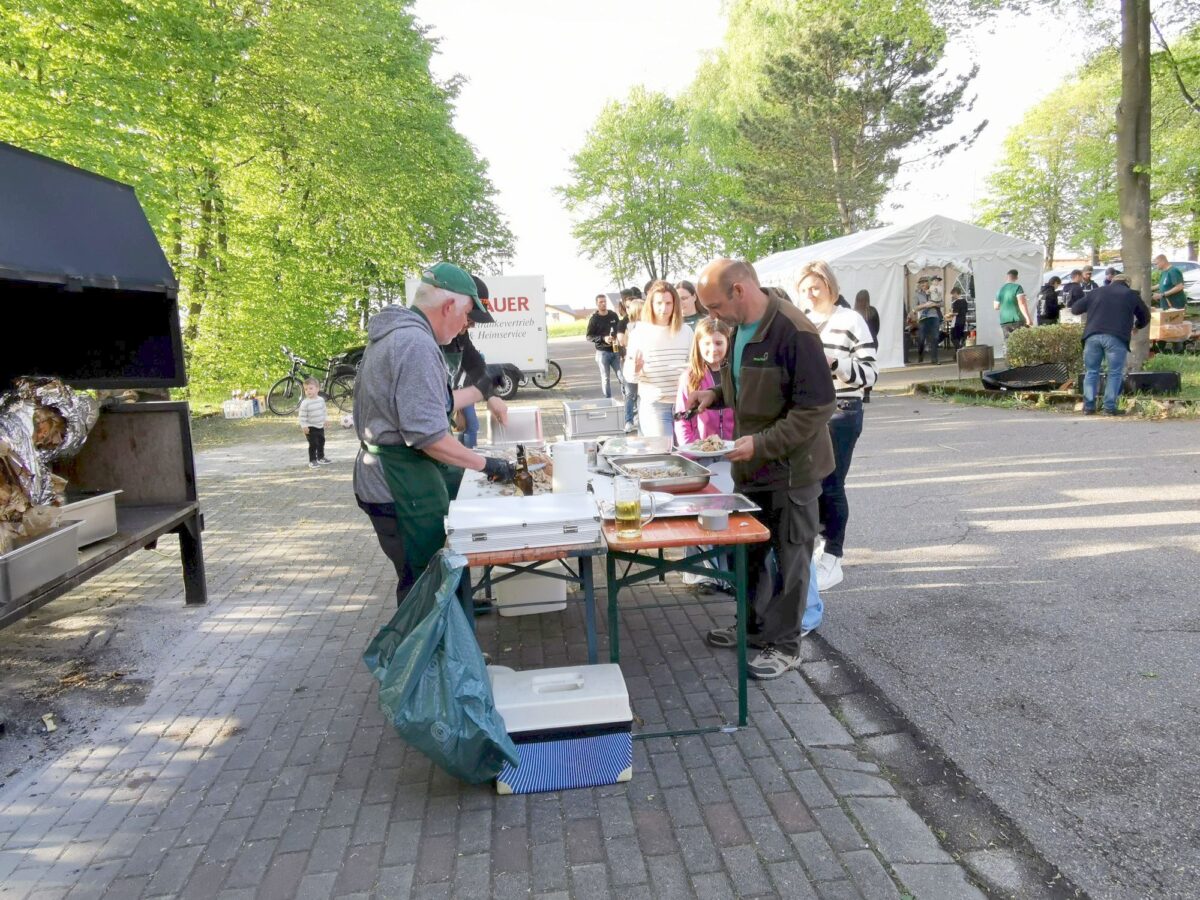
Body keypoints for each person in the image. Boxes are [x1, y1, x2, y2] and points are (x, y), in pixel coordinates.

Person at [691, 258, 835, 680]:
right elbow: (750, 386)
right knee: (751, 555)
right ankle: (752, 631)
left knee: (791, 560)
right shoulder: (739, 328)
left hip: (792, 471)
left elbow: (816, 408)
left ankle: (786, 646)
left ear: (739, 290)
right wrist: (715, 396)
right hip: (751, 467)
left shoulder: (794, 331)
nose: (712, 316)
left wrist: (762, 443)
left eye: (715, 306)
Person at [353, 262, 516, 605]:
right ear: (448, 306)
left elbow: (433, 405)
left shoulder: (402, 335)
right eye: (467, 315)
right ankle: (429, 641)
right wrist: (487, 464)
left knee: (426, 578)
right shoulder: (415, 344)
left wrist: (483, 390)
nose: (465, 326)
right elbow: (429, 438)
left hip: (390, 475)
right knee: (422, 584)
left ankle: (447, 627)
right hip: (395, 483)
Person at [796, 261, 877, 592]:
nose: (810, 294)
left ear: (831, 287)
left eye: (815, 287)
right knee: (809, 483)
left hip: (842, 408)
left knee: (831, 482)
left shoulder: (851, 320)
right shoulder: (801, 321)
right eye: (804, 289)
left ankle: (833, 555)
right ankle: (821, 545)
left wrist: (836, 364)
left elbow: (870, 373)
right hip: (807, 413)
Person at [1070, 274, 1150, 416]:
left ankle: (1088, 407)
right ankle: (1109, 408)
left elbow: (1075, 309)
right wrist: (1137, 325)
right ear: (1127, 283)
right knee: (1114, 373)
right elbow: (1145, 316)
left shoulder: (1096, 292)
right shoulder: (1131, 295)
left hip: (1092, 336)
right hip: (1116, 338)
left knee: (1091, 372)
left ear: (1112, 281)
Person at [626, 280, 693, 442]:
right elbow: (629, 375)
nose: (664, 308)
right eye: (659, 303)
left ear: (675, 304)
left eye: (668, 303)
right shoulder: (639, 333)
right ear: (651, 304)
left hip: (683, 404)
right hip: (655, 404)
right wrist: (635, 369)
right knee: (664, 451)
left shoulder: (686, 331)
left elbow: (693, 365)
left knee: (686, 451)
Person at [446, 275, 509, 449]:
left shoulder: (458, 335)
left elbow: (475, 364)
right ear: (449, 307)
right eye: (469, 318)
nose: (471, 326)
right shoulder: (421, 342)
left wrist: (492, 396)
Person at [674, 317, 735, 447]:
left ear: (728, 343)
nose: (713, 349)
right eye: (707, 343)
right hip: (701, 449)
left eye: (719, 343)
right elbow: (682, 419)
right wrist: (691, 449)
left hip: (734, 448)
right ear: (698, 345)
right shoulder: (689, 377)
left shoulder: (735, 374)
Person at [586, 293, 622, 399]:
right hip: (602, 352)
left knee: (621, 376)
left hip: (615, 350)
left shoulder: (613, 315)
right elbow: (589, 337)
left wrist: (617, 338)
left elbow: (619, 329)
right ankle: (608, 400)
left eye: (605, 301)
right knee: (606, 378)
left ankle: (627, 399)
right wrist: (603, 338)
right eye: (601, 302)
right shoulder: (594, 319)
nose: (603, 304)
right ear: (597, 304)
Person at [617, 288, 643, 433]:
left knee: (639, 394)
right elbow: (623, 342)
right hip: (631, 362)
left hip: (642, 364)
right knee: (631, 394)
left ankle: (637, 419)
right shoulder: (627, 324)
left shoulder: (648, 325)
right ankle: (629, 420)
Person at [853, 290, 881, 401]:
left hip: (858, 342)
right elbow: (877, 327)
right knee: (869, 367)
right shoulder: (872, 311)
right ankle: (867, 394)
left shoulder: (854, 313)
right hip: (872, 341)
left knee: (858, 366)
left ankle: (858, 390)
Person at [298, 377, 330, 469]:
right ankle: (312, 460)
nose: (308, 391)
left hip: (319, 426)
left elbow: (324, 411)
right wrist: (304, 426)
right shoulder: (305, 403)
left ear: (317, 389)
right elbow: (302, 416)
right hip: (310, 427)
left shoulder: (321, 400)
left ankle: (321, 457)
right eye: (306, 389)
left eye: (311, 388)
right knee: (313, 443)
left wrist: (326, 419)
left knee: (321, 441)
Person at [912, 276, 942, 363]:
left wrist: (934, 304)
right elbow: (915, 307)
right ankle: (920, 354)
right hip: (923, 318)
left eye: (924, 282)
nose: (923, 284)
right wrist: (925, 305)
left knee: (935, 337)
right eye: (921, 283)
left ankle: (934, 359)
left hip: (934, 316)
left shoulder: (934, 291)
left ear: (928, 283)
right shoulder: (917, 294)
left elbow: (942, 303)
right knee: (921, 339)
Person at [995, 269, 1032, 336]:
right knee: (1020, 340)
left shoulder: (1000, 290)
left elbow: (996, 307)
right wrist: (1028, 318)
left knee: (1008, 341)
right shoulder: (1017, 287)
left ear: (1007, 277)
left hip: (1004, 321)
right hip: (1017, 319)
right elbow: (1022, 304)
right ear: (1017, 277)